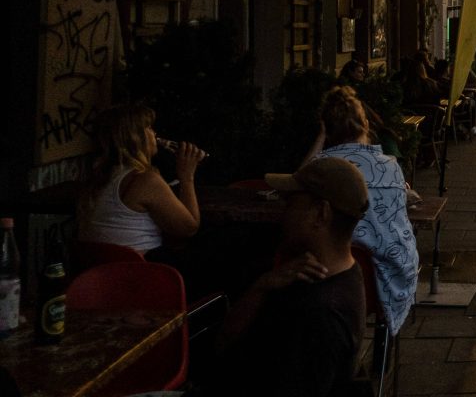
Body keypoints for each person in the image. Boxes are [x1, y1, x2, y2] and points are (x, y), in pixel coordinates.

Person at [200, 157, 368, 397]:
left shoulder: (319, 315)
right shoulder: (325, 273)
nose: (282, 212)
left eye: (290, 202)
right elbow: (223, 342)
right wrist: (262, 286)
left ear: (321, 213)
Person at [307, 85, 419, 335]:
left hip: (332, 277)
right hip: (391, 276)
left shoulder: (323, 169)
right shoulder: (390, 166)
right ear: (365, 124)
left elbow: (298, 179)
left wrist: (320, 137)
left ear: (327, 129)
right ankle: (381, 352)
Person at [77, 104, 205, 256]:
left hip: (95, 270)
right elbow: (188, 228)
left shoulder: (97, 177)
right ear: (135, 136)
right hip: (138, 271)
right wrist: (187, 177)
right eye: (149, 128)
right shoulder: (144, 180)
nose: (154, 133)